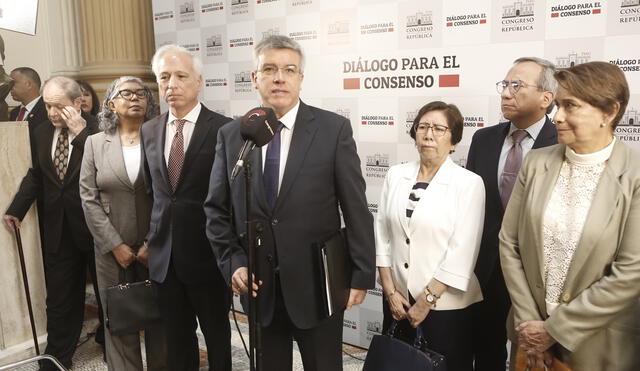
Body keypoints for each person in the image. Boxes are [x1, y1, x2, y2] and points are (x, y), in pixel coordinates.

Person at [205, 35, 375, 371]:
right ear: (255, 78)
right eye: (269, 69)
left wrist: (360, 274)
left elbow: (355, 208)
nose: (279, 77)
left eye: (288, 70)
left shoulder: (332, 129)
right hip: (258, 285)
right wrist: (233, 262)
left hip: (318, 285)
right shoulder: (232, 135)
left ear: (300, 78)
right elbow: (215, 209)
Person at [500, 61, 640, 370]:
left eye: (570, 106)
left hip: (596, 344)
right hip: (529, 339)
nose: (558, 117)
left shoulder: (635, 174)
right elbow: (509, 243)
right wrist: (530, 324)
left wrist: (553, 330)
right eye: (559, 105)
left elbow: (631, 272)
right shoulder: (536, 162)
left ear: (609, 112)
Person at [141, 45, 233, 371]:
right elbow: (154, 192)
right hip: (164, 261)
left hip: (209, 257)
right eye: (164, 77)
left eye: (181, 76)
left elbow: (232, 198)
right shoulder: (149, 130)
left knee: (218, 341)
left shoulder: (225, 129)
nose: (172, 85)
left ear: (199, 81)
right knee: (177, 343)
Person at [375, 101, 485, 371]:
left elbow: (462, 251)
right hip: (398, 298)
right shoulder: (395, 174)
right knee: (397, 364)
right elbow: (382, 235)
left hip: (445, 305)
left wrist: (426, 302)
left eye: (438, 128)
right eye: (422, 127)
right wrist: (389, 291)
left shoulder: (468, 183)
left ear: (454, 140)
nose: (428, 134)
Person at [466, 57, 558, 370]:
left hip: (539, 275)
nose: (506, 93)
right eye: (504, 85)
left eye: (516, 85)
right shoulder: (483, 139)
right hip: (487, 267)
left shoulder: (563, 142)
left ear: (546, 98)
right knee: (485, 347)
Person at [3, 76, 99, 370]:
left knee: (108, 295)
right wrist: (17, 208)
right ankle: (57, 357)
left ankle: (113, 344)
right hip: (57, 228)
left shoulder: (99, 128)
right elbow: (37, 174)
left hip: (96, 228)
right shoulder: (42, 130)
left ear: (78, 103)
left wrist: (80, 134)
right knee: (59, 299)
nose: (52, 113)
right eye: (47, 105)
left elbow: (107, 168)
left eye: (59, 106)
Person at [80, 76, 167, 371]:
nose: (135, 98)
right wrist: (114, 244)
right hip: (110, 250)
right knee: (118, 321)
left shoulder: (161, 138)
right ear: (111, 104)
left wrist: (150, 244)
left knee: (160, 321)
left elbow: (169, 196)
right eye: (126, 93)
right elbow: (88, 197)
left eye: (141, 93)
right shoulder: (94, 143)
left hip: (155, 246)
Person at [10, 67, 48, 133]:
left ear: (28, 84)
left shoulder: (47, 109)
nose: (9, 87)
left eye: (13, 83)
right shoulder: (14, 113)